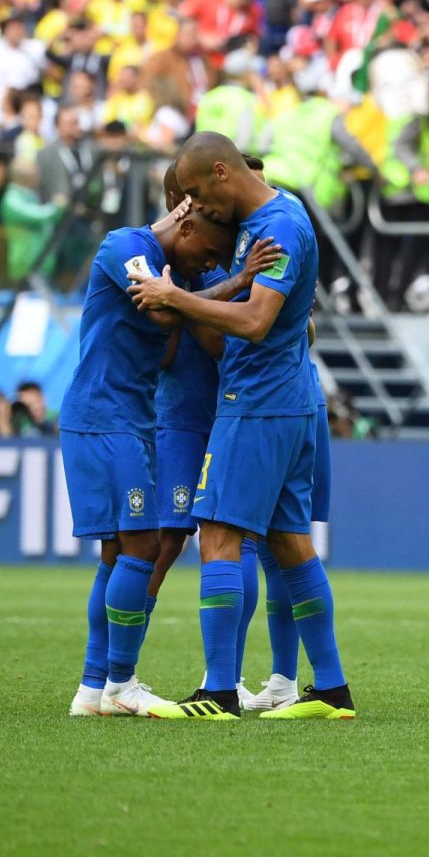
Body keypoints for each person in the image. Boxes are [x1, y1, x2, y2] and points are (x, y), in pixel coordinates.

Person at [128, 131, 354, 721]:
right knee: (291, 544)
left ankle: (219, 692)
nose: (199, 210)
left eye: (200, 195)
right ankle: (331, 690)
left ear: (223, 174)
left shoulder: (276, 227)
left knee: (220, 536)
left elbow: (256, 320)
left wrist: (174, 297)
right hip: (288, 401)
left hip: (258, 402)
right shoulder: (277, 216)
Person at [61, 193, 237, 719]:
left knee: (117, 553)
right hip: (105, 417)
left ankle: (94, 689)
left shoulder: (170, 266)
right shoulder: (126, 245)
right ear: (184, 228)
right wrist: (236, 282)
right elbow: (160, 309)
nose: (207, 265)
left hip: (127, 419)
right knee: (145, 545)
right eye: (208, 253)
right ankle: (121, 683)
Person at [143, 162, 291, 713]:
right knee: (162, 543)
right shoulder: (164, 259)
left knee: (239, 542)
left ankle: (223, 676)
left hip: (237, 412)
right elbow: (192, 344)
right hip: (184, 414)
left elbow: (285, 326)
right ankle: (114, 676)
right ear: (187, 205)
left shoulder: (243, 246)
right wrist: (228, 285)